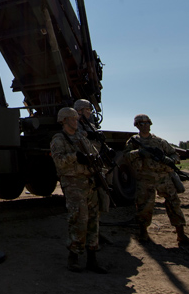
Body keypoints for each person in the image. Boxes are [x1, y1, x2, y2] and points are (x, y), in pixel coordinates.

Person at [50, 104, 109, 273]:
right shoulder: (58, 140)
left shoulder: (81, 138)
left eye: (77, 118)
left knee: (93, 221)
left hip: (89, 182)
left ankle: (92, 259)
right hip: (73, 184)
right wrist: (76, 156)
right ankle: (73, 257)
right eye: (73, 119)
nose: (76, 121)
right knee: (78, 220)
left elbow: (94, 155)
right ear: (64, 121)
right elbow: (59, 161)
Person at [124, 114, 189, 248]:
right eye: (141, 123)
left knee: (174, 203)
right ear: (137, 126)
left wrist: (170, 160)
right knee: (144, 206)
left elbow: (174, 154)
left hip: (163, 177)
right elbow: (126, 156)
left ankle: (181, 234)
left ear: (150, 124)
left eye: (146, 123)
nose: (144, 126)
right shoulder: (133, 142)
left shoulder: (160, 141)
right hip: (145, 178)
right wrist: (139, 153)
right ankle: (143, 233)